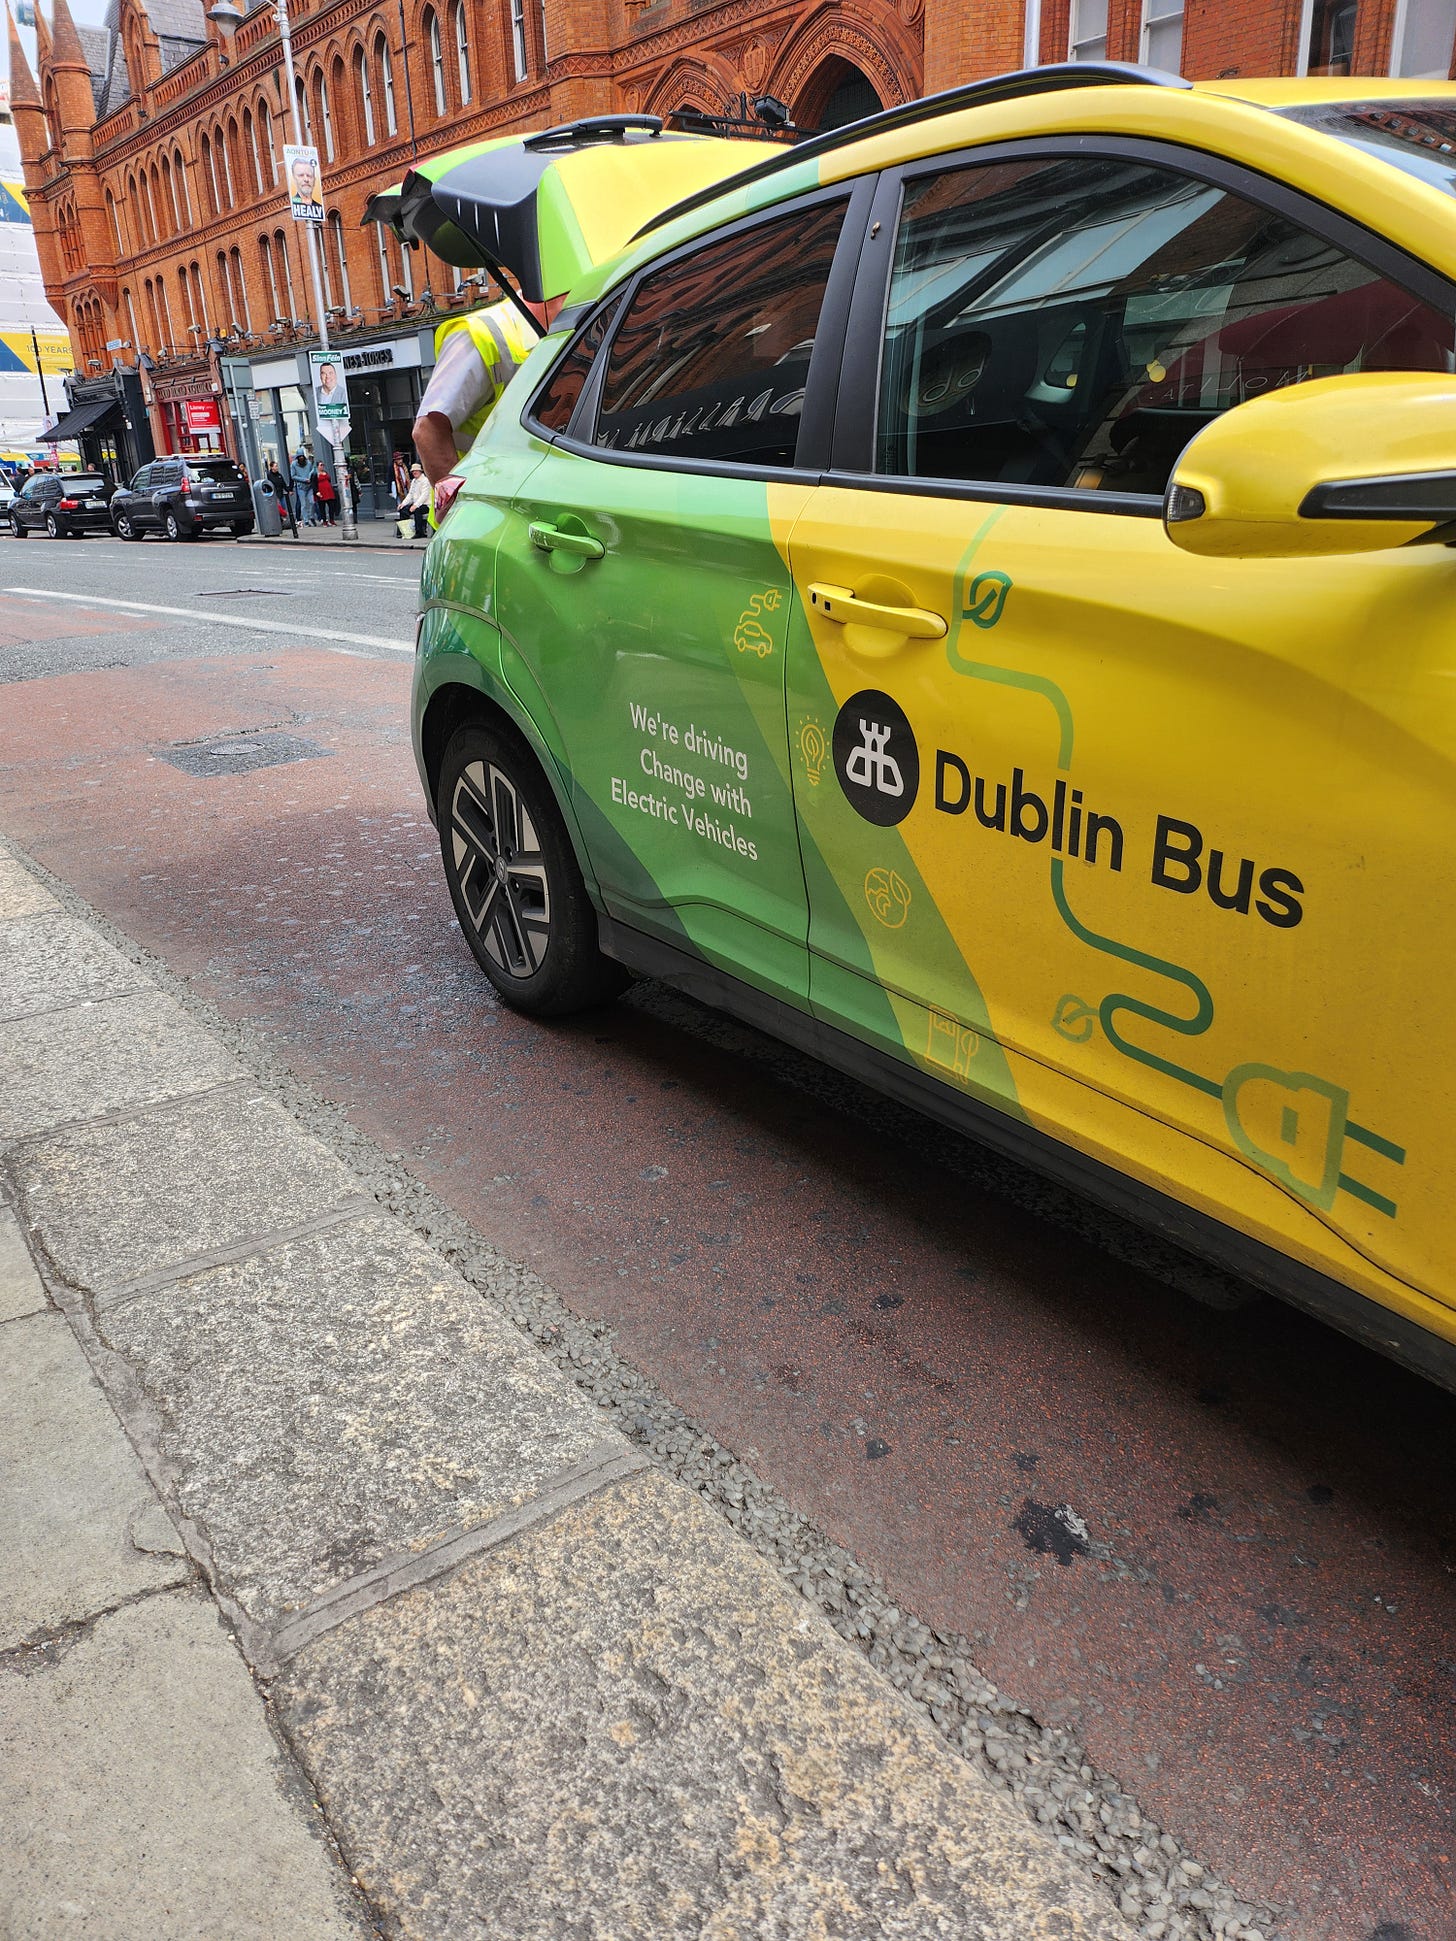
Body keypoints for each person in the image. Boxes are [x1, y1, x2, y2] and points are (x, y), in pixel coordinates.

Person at [411, 294, 551, 488]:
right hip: (486, 502)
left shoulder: (555, 338)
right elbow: (427, 431)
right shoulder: (483, 334)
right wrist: (460, 504)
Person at [399, 461, 432, 539]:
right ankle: (406, 531)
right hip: (416, 503)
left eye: (416, 471)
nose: (414, 472)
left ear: (420, 471)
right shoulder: (414, 481)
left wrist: (415, 505)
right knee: (403, 510)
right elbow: (410, 494)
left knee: (417, 511)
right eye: (413, 471)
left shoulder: (425, 481)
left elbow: (424, 495)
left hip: (426, 504)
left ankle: (419, 532)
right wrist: (403, 503)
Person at [265, 457, 296, 534]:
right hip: (274, 495)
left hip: (281, 494)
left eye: (277, 466)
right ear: (271, 467)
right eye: (275, 466)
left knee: (283, 508)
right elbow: (268, 486)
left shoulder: (279, 475)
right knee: (279, 509)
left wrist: (289, 491)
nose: (277, 467)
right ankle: (280, 523)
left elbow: (283, 484)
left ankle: (283, 523)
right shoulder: (269, 476)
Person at [290, 447, 316, 526]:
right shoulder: (294, 464)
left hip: (309, 486)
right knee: (303, 504)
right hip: (301, 487)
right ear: (297, 457)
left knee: (312, 502)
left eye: (302, 456)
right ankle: (306, 520)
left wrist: (311, 476)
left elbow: (312, 471)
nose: (301, 458)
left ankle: (311, 516)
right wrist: (304, 479)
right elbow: (293, 476)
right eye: (299, 456)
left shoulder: (308, 463)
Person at [315, 459, 337, 526]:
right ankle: (324, 521)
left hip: (329, 491)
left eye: (323, 465)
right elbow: (313, 484)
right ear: (317, 466)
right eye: (321, 465)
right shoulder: (315, 474)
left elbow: (329, 480)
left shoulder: (326, 472)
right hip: (321, 492)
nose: (322, 466)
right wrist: (317, 491)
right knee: (322, 507)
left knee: (331, 506)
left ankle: (332, 520)